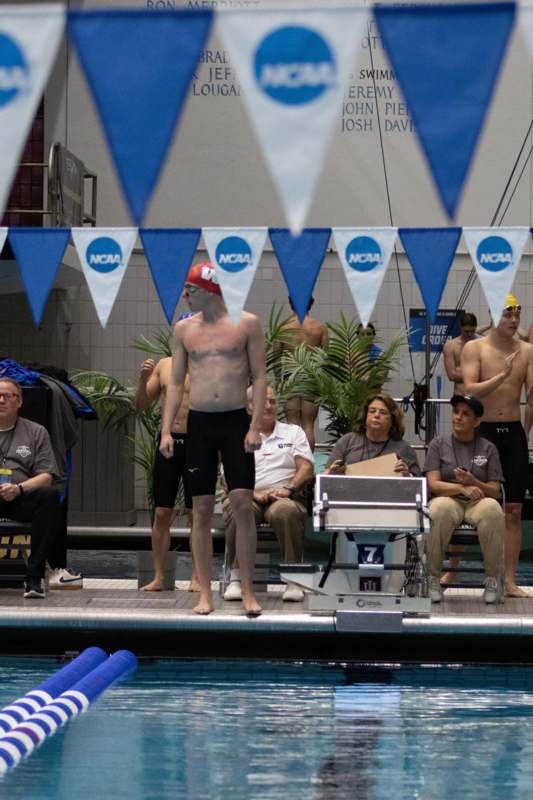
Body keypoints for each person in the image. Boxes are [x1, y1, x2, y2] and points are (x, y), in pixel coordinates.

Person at [160, 263, 267, 616]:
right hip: (199, 425)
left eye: (190, 289)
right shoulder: (184, 329)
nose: (185, 295)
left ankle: (248, 591)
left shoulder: (247, 323)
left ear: (210, 290)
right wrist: (165, 430)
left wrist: (254, 426)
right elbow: (175, 382)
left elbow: (261, 377)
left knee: (241, 503)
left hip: (236, 422)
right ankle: (205, 593)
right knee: (201, 510)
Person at [462, 293, 533, 597]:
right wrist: (502, 375)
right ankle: (451, 567)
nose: (514, 321)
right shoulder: (474, 348)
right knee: (472, 501)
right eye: (508, 315)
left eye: (517, 315)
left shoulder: (527, 351)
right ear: (493, 315)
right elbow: (469, 389)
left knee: (514, 510)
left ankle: (510, 580)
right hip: (483, 432)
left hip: (513, 433)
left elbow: (531, 397)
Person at [223, 384, 314, 603]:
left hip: (284, 496)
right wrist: (253, 494)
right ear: (249, 406)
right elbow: (228, 475)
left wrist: (288, 489)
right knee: (240, 509)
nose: (269, 405)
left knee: (285, 512)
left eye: (273, 401)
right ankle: (236, 579)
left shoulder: (293, 432)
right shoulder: (238, 434)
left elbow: (306, 468)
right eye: (263, 400)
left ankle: (293, 581)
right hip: (246, 494)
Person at [424, 394, 504, 604]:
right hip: (449, 500)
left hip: (478, 503)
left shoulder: (488, 448)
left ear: (477, 421)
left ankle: (492, 579)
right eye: (456, 412)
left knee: (493, 509)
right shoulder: (437, 444)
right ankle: (432, 579)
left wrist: (474, 481)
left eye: (465, 414)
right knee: (438, 508)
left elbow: (495, 491)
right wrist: (461, 487)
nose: (458, 417)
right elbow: (433, 484)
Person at [135, 356, 199, 592]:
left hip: (199, 444)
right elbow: (141, 405)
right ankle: (160, 577)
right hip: (168, 440)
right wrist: (143, 379)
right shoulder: (164, 365)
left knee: (197, 515)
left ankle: (197, 577)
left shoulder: (209, 363)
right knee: (161, 512)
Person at [0, 378, 62, 598]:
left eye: (7, 396)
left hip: (20, 496)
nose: (1, 400)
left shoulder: (36, 432)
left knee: (50, 495)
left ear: (19, 401)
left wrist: (19, 489)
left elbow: (46, 475)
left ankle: (33, 578)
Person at [324, 393, 421, 478]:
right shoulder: (347, 441)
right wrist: (332, 473)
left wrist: (408, 476)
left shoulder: (404, 448)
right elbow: (326, 475)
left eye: (383, 412)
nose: (377, 415)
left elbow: (420, 485)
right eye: (372, 411)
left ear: (393, 419)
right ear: (365, 416)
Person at [280, 296, 328, 451]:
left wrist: (279, 380)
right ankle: (308, 464)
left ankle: (293, 465)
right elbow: (324, 359)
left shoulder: (283, 328)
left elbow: (275, 358)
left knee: (292, 425)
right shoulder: (320, 328)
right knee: (308, 425)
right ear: (311, 304)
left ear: (290, 304)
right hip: (311, 378)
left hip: (290, 377)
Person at [443, 312, 479, 392]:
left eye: (472, 331)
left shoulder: (482, 344)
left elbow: (488, 372)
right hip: (460, 395)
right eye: (466, 331)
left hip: (480, 396)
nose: (469, 334)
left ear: (476, 327)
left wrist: (460, 370)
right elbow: (452, 375)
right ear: (460, 328)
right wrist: (478, 373)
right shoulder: (450, 346)